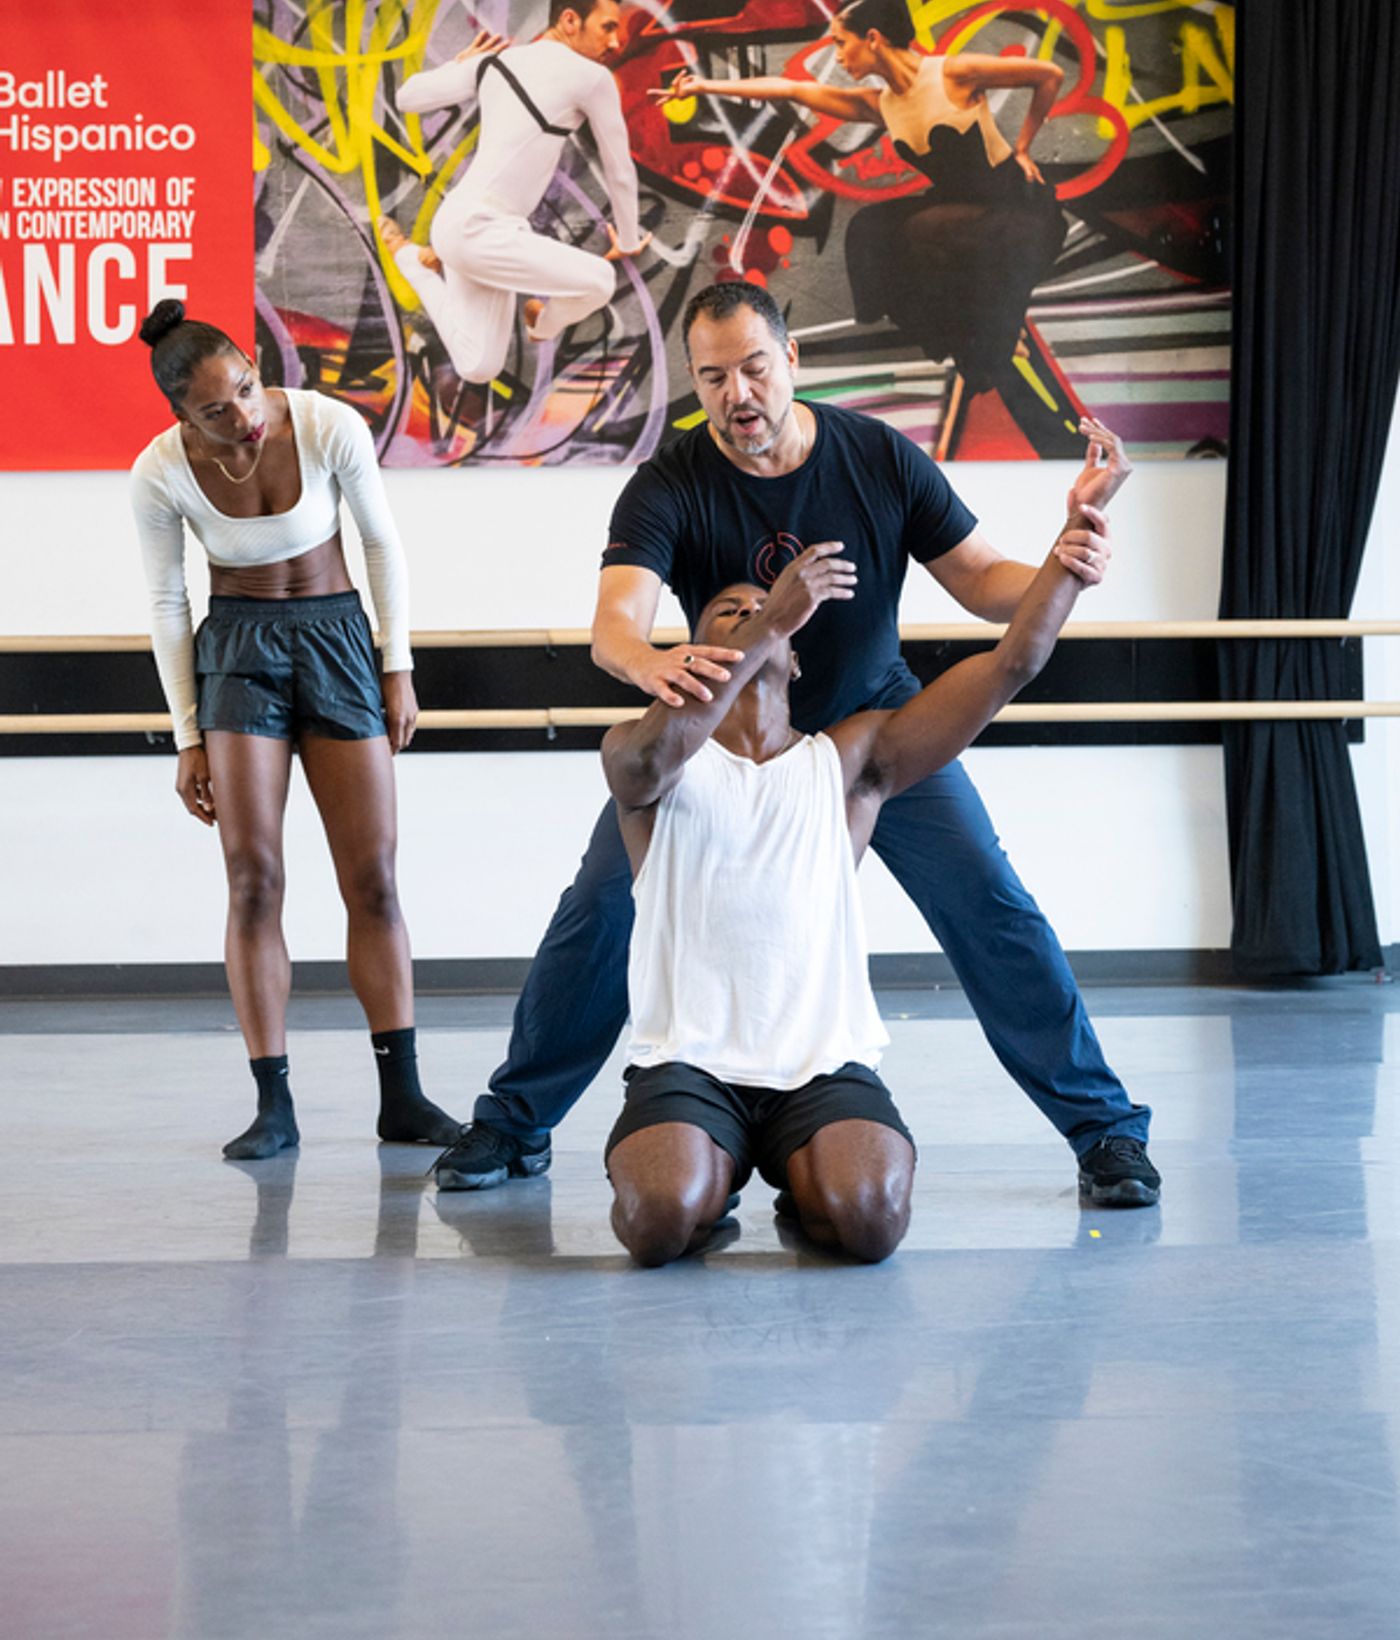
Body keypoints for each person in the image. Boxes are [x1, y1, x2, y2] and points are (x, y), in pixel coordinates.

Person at [434, 280, 1159, 1212]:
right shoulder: (673, 481)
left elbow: (980, 580)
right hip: (727, 741)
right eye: (712, 377)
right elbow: (616, 622)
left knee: (991, 905)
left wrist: (1068, 562)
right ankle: (516, 1122)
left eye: (754, 367)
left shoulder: (876, 457)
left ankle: (1104, 1132)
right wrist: (651, 667)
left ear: (792, 362)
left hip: (871, 730)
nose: (737, 394)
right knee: (602, 911)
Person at [603, 469, 1118, 1265]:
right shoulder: (653, 762)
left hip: (820, 1068)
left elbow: (1011, 662)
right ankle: (715, 1171)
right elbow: (646, 754)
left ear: (799, 662)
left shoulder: (849, 764)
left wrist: (1067, 557)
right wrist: (769, 620)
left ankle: (793, 1175)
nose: (750, 619)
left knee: (870, 1222)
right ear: (697, 656)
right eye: (727, 617)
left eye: (762, 614)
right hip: (688, 1065)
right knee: (659, 1222)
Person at [129, 300, 460, 1159]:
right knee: (253, 879)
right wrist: (187, 735)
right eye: (215, 411)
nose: (242, 416)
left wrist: (398, 665)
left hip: (339, 638)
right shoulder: (159, 471)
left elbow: (382, 545)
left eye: (245, 388)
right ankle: (273, 1106)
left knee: (375, 880)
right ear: (180, 416)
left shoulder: (324, 422)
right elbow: (169, 601)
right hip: (236, 653)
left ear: (254, 364)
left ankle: (404, 1097)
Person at [653, 0, 1070, 457]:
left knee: (916, 231)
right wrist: (704, 88)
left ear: (872, 38)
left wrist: (1024, 147)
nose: (837, 55)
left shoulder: (951, 73)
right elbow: (792, 91)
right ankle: (984, 333)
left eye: (841, 43)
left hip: (1014, 211)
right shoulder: (881, 104)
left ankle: (994, 332)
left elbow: (1047, 75)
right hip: (958, 220)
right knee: (873, 233)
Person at [382, 0, 650, 389]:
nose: (615, 43)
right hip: (478, 229)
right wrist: (630, 241)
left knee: (478, 366)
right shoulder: (593, 79)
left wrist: (460, 66)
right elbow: (619, 170)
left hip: (468, 226)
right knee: (600, 279)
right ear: (569, 21)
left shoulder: (495, 62)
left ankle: (410, 261)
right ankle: (541, 324)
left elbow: (407, 96)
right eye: (607, 27)